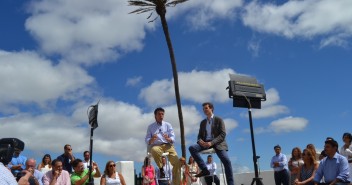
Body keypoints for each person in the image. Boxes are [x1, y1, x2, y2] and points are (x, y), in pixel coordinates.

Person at [188, 102, 234, 185]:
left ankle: (231, 183)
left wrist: (212, 142)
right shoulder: (202, 123)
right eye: (203, 109)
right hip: (205, 143)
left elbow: (223, 134)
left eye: (206, 108)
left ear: (211, 108)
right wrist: (200, 141)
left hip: (218, 143)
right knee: (192, 148)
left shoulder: (219, 120)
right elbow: (199, 136)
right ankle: (205, 169)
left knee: (227, 161)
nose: (204, 110)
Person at [145, 107, 180, 185]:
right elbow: (147, 140)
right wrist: (151, 139)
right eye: (159, 114)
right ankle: (161, 169)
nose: (161, 116)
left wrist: (169, 139)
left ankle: (176, 183)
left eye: (162, 114)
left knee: (177, 163)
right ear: (155, 116)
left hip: (168, 145)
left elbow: (173, 138)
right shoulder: (150, 127)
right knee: (154, 150)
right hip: (157, 145)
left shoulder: (168, 125)